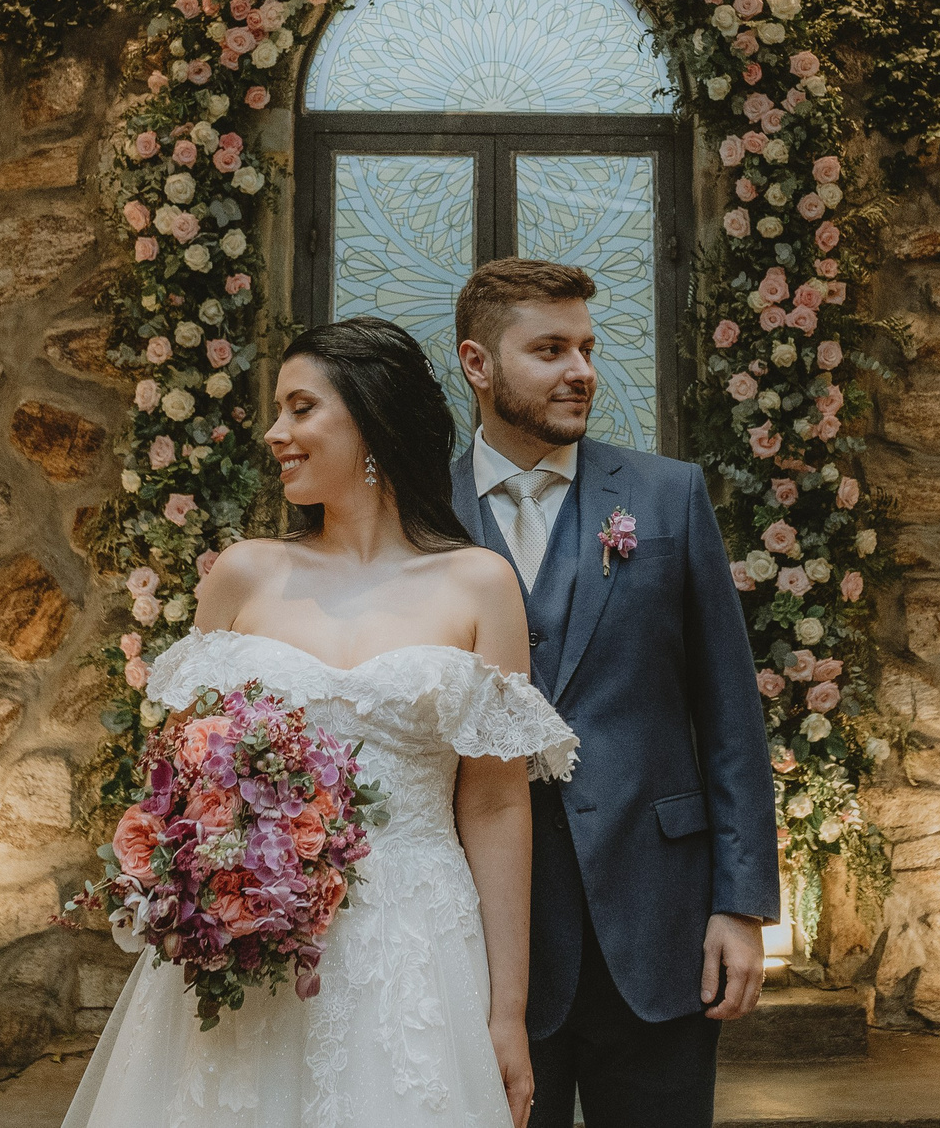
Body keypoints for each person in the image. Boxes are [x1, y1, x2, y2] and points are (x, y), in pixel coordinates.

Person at [62, 315, 578, 1128]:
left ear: (371, 421)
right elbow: (184, 777)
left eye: (300, 408)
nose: (277, 432)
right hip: (253, 950)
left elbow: (495, 803)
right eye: (279, 410)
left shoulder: (480, 584)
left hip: (414, 945)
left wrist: (506, 1012)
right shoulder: (243, 574)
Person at [451, 259, 778, 1128]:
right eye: (550, 349)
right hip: (481, 944)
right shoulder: (422, 519)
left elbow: (729, 714)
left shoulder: (669, 495)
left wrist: (740, 904)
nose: (582, 371)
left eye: (588, 349)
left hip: (661, 924)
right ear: (477, 363)